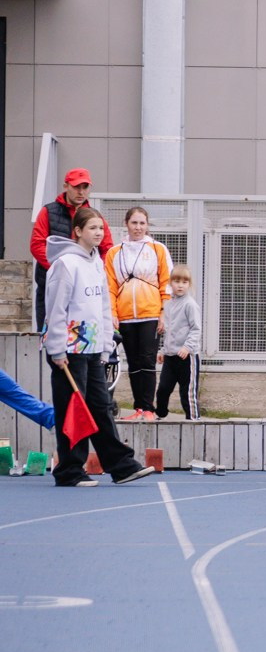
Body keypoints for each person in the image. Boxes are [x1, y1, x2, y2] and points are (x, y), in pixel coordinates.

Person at [43, 205, 150, 487]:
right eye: (92, 228)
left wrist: (105, 346)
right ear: (77, 231)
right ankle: (69, 469)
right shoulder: (65, 265)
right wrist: (57, 349)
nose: (99, 233)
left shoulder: (97, 263)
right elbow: (55, 309)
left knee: (101, 407)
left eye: (101, 228)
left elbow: (103, 307)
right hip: (69, 352)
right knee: (72, 410)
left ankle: (121, 465)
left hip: (92, 351)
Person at [108, 205, 170, 414]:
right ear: (127, 224)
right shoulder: (114, 252)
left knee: (147, 360)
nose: (138, 227)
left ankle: (148, 407)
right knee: (133, 362)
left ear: (147, 225)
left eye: (142, 223)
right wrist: (113, 313)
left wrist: (163, 312)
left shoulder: (157, 249)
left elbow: (166, 282)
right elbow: (110, 286)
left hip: (150, 313)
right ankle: (138, 407)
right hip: (125, 316)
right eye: (134, 223)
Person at [29, 166, 89, 331]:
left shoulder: (92, 215)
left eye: (85, 187)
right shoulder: (48, 211)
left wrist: (89, 270)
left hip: (83, 289)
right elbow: (36, 244)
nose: (81, 192)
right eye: (77, 187)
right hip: (50, 284)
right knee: (49, 335)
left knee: (79, 341)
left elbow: (105, 248)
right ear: (66, 186)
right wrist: (59, 267)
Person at [154, 266, 200, 418]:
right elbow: (168, 331)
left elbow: (195, 329)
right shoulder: (168, 305)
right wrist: (162, 351)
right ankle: (160, 414)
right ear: (170, 283)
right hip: (170, 356)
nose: (180, 285)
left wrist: (187, 347)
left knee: (186, 392)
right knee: (163, 389)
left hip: (187, 357)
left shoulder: (190, 305)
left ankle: (193, 420)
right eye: (177, 281)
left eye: (185, 282)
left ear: (189, 285)